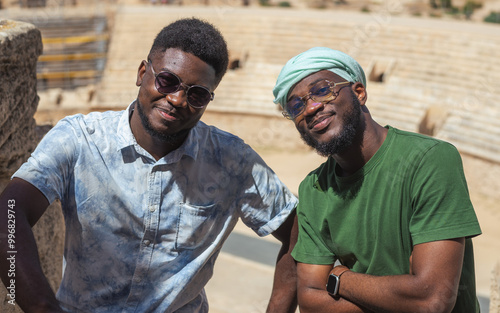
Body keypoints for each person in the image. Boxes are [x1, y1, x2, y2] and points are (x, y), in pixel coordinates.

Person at [0, 18, 299, 313]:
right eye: (167, 81)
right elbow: (8, 215)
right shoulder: (80, 139)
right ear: (143, 72)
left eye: (196, 95)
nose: (177, 99)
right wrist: (40, 307)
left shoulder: (232, 160)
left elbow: (298, 229)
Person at [272, 47, 482, 313]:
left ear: (359, 93)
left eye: (322, 90)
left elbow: (430, 300)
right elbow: (311, 301)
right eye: (295, 105)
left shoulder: (429, 159)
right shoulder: (314, 189)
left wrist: (340, 278)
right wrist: (399, 295)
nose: (311, 107)